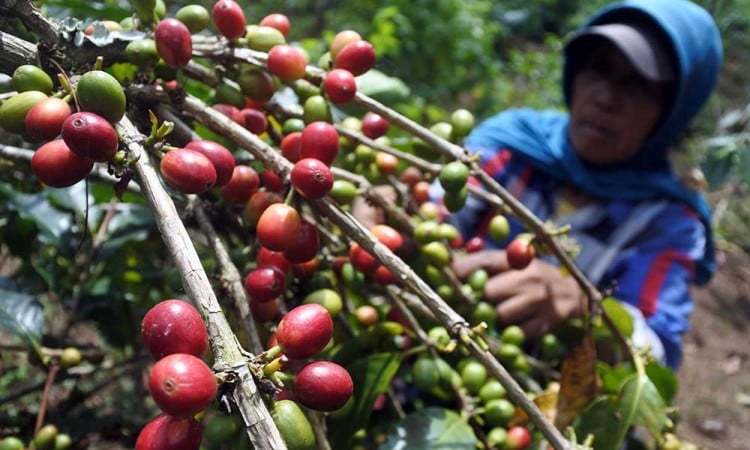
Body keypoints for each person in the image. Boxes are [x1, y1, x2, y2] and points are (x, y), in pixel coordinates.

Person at [437, 0, 722, 370]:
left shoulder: (669, 222)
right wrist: (394, 215)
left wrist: (586, 308)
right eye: (598, 70)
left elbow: (657, 357)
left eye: (638, 85)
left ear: (672, 112)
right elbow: (436, 211)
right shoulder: (513, 144)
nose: (605, 98)